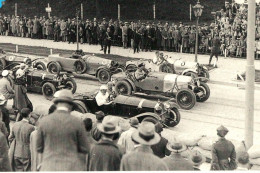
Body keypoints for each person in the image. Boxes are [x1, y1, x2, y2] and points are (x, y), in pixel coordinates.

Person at [36, 89, 89, 171]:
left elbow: (39, 148)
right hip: (71, 168)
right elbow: (85, 148)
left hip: (48, 167)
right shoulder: (78, 122)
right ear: (71, 106)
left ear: (56, 104)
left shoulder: (44, 121)